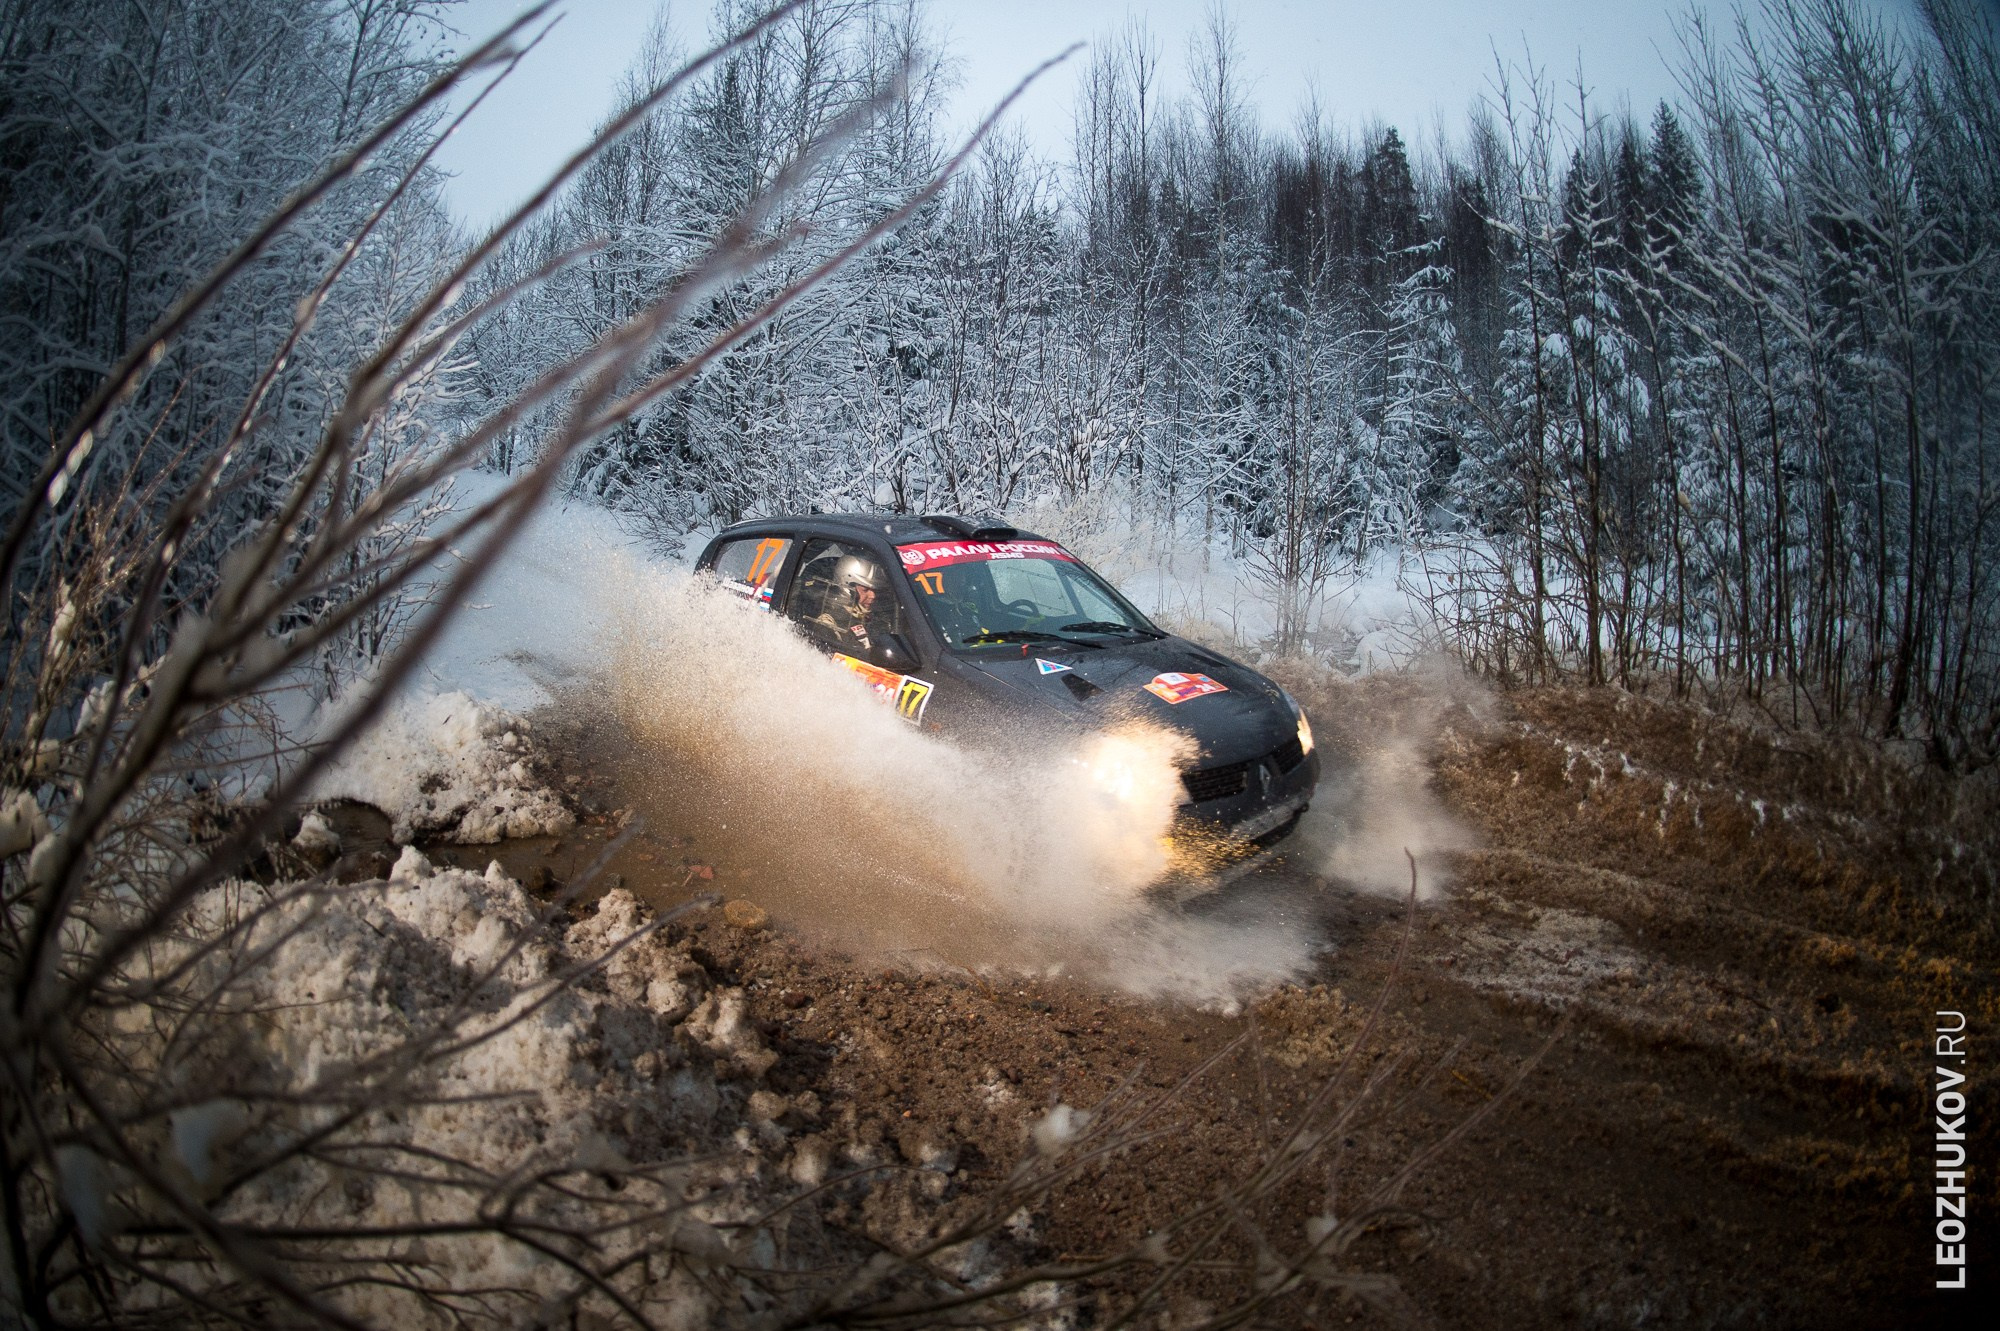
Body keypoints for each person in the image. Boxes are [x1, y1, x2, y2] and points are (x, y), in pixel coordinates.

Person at [815, 554, 892, 653]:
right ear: (846, 586)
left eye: (875, 590)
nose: (873, 595)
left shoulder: (882, 616)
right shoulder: (830, 623)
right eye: (865, 589)